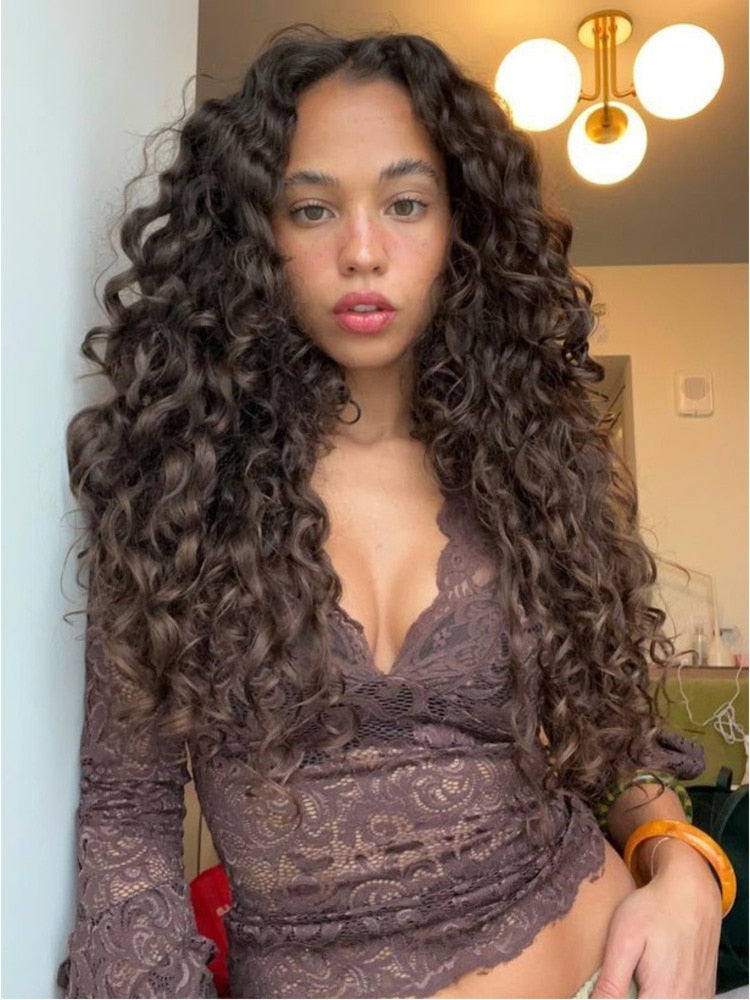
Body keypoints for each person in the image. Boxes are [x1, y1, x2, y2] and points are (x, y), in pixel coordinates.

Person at [60, 28, 731, 1000]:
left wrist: (683, 869)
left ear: (460, 229)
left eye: (406, 203)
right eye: (313, 208)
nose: (364, 251)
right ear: (254, 235)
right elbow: (127, 819)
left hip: (606, 968)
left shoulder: (530, 469)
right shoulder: (175, 493)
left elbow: (612, 742)